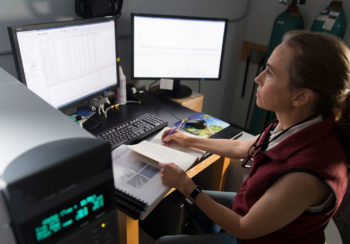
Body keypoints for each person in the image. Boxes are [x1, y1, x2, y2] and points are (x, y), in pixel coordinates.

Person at [156, 30, 350, 244]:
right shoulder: (298, 123)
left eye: (270, 73)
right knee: (186, 200)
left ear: (301, 96)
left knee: (165, 241)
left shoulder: (308, 174)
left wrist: (186, 185)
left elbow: (243, 228)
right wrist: (188, 140)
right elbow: (243, 147)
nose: (258, 78)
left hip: (252, 236)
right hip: (251, 212)